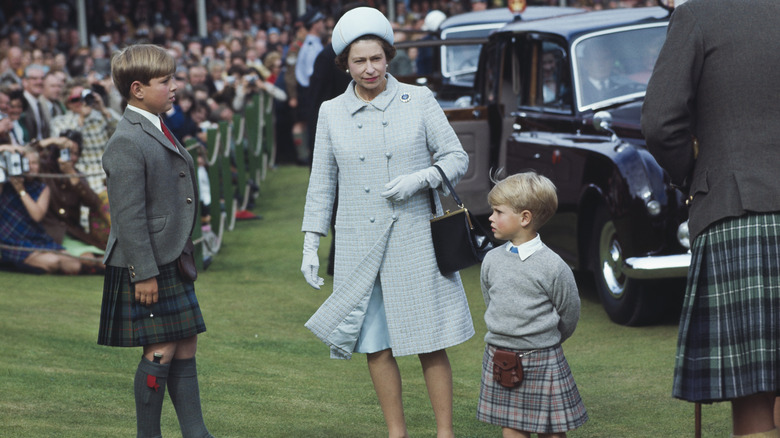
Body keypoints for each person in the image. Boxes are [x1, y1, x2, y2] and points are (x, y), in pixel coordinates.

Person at [300, 7, 474, 438]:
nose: (369, 68)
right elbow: (322, 182)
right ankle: (397, 433)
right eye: (359, 61)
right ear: (345, 64)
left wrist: (421, 179)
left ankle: (444, 433)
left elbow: (457, 157)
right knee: (374, 343)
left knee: (428, 341)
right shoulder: (330, 112)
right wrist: (310, 241)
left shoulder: (419, 99)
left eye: (376, 58)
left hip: (414, 236)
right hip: (361, 244)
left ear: (388, 56)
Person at [641, 1, 780, 437]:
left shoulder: (699, 14)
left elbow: (662, 124)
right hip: (743, 208)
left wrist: (696, 177)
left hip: (739, 211)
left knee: (755, 404)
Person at [97, 44, 214, 438]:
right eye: (166, 81)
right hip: (147, 262)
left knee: (185, 343)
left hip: (170, 255)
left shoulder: (157, 124)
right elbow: (128, 217)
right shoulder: (126, 140)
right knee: (160, 351)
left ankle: (196, 432)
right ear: (137, 89)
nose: (175, 86)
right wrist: (143, 273)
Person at [477, 172, 587, 438]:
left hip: (543, 358)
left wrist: (546, 339)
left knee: (550, 431)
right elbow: (491, 300)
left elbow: (569, 313)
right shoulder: (491, 260)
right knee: (512, 427)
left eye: (498, 211)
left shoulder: (554, 266)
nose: (491, 217)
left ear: (524, 218)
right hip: (499, 357)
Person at [0, 144, 82, 274]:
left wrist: (21, 191)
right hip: (13, 239)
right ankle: (16, 263)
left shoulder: (42, 188)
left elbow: (37, 215)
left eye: (35, 163)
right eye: (27, 163)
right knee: (53, 262)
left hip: (35, 237)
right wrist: (4, 149)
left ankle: (34, 265)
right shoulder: (5, 185)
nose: (32, 167)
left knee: (73, 265)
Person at [50, 80, 120, 194]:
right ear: (67, 103)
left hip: (109, 178)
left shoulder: (103, 115)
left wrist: (103, 109)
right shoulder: (59, 122)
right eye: (75, 100)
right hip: (83, 180)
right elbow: (67, 146)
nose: (81, 102)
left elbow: (124, 133)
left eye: (83, 97)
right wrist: (81, 119)